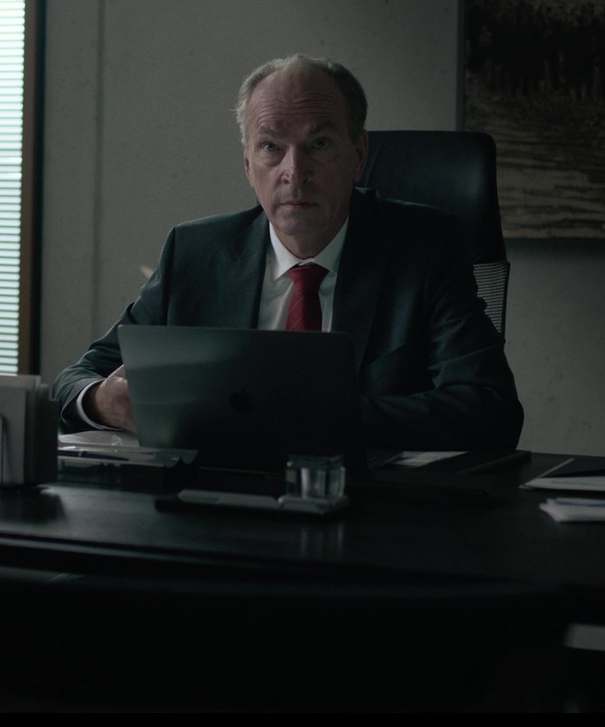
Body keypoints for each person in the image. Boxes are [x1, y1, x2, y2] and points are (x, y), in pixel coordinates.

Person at [51, 54, 523, 451]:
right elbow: (76, 379)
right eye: (271, 147)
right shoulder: (196, 254)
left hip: (374, 522)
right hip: (215, 516)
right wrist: (99, 401)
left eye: (318, 144)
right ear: (247, 164)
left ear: (358, 154)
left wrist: (301, 420)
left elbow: (488, 408)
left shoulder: (424, 249)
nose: (294, 172)